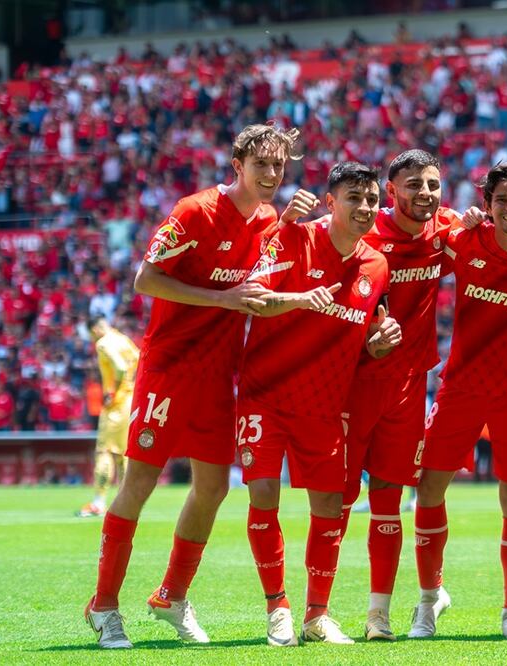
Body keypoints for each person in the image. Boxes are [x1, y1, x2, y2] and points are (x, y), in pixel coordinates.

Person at [84, 123, 320, 649]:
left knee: (212, 489)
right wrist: (224, 299)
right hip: (168, 370)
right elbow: (145, 279)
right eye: (262, 165)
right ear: (237, 165)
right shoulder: (195, 210)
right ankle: (103, 608)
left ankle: (170, 595)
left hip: (219, 377)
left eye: (280, 166)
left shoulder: (268, 223)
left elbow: (258, 288)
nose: (272, 175)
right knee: (139, 486)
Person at [238, 161, 400, 647]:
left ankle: (317, 615)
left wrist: (381, 338)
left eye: (372, 199)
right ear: (331, 202)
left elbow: (372, 330)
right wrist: (300, 299)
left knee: (330, 506)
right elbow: (252, 298)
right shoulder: (292, 238)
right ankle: (277, 610)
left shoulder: (377, 264)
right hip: (265, 395)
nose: (365, 207)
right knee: (264, 495)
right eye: (354, 197)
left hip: (324, 406)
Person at [409, 162, 507, 640]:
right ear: (489, 204)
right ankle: (429, 599)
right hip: (460, 389)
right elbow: (422, 223)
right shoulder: (465, 239)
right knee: (429, 490)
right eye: (502, 199)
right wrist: (463, 219)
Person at [342, 149, 461, 641]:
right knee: (336, 501)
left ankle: (378, 617)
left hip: (409, 386)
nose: (425, 194)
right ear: (391, 192)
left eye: (432, 184)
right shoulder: (364, 233)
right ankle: (311, 612)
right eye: (413, 185)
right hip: (351, 384)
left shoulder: (446, 229)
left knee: (389, 499)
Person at [77, 317, 140, 518]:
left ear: (95, 329)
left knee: (104, 451)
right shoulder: (123, 339)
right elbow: (139, 360)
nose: (92, 339)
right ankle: (127, 503)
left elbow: (120, 368)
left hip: (117, 404)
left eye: (91, 335)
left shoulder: (104, 343)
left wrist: (112, 392)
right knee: (123, 454)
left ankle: (98, 503)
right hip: (133, 400)